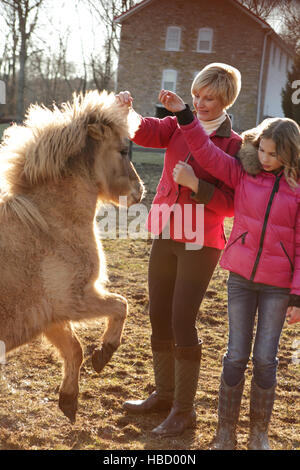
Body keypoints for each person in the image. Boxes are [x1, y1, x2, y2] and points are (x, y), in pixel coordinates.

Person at [159, 88, 300, 449]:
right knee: (236, 354)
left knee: (266, 360)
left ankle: (259, 434)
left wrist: (298, 295)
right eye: (263, 151)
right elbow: (207, 153)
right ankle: (225, 433)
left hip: (278, 287)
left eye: (274, 154)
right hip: (240, 279)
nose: (266, 159)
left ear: (289, 155)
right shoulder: (242, 173)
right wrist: (186, 116)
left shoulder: (297, 190)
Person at [115, 63, 242, 437]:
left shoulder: (234, 146)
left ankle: (184, 411)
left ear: (225, 101)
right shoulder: (175, 126)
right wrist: (126, 109)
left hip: (201, 241)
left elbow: (233, 205)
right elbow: (144, 130)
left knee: (182, 319)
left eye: (210, 99)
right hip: (166, 232)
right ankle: (164, 394)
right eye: (197, 96)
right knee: (157, 314)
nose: (200, 103)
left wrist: (197, 186)